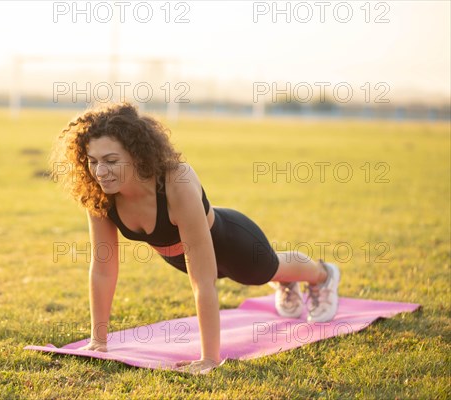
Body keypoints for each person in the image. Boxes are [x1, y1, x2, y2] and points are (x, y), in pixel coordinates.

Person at [53, 102, 340, 374]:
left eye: (111, 160)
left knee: (267, 270)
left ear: (137, 154)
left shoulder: (176, 182)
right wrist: (98, 340)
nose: (100, 171)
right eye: (92, 161)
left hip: (234, 245)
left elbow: (203, 281)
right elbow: (103, 269)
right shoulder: (100, 194)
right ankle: (288, 282)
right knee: (265, 273)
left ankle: (322, 274)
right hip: (179, 258)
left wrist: (209, 359)